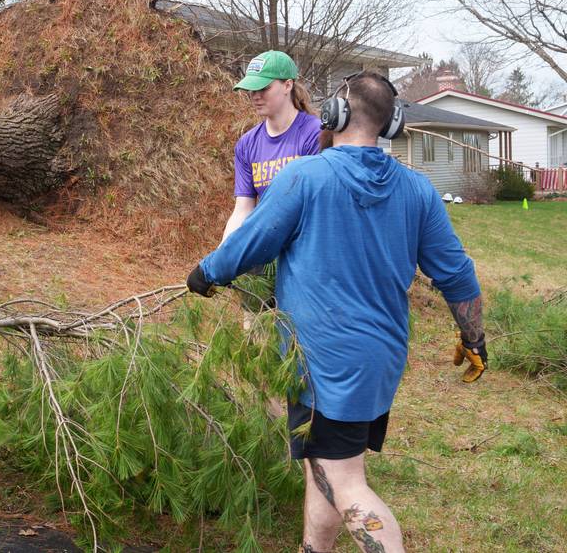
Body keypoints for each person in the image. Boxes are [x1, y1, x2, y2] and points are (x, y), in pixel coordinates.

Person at [185, 72, 488, 553]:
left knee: (343, 480)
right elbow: (457, 275)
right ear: (393, 125)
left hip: (322, 362)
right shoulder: (418, 190)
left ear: (333, 115)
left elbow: (249, 244)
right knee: (325, 463)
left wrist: (205, 273)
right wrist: (474, 339)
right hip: (380, 361)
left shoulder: (305, 177)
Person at [224, 52, 323, 322]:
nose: (255, 95)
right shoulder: (247, 144)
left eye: (264, 87)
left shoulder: (315, 134)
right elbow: (243, 208)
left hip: (305, 256)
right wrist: (226, 254)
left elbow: (317, 205)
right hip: (262, 255)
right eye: (251, 89)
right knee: (256, 336)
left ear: (288, 85)